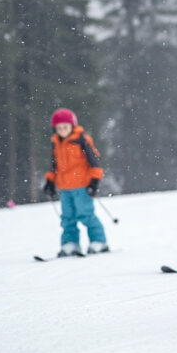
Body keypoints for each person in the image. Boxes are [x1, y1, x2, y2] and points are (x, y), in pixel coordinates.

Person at [43, 108, 108, 256]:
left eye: (65, 127)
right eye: (59, 128)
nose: (62, 130)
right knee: (67, 218)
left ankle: (99, 241)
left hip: (82, 186)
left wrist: (94, 182)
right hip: (65, 188)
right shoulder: (56, 142)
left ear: (72, 125)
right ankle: (70, 244)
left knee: (86, 215)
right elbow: (54, 165)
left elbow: (94, 162)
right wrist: (50, 182)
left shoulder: (82, 140)